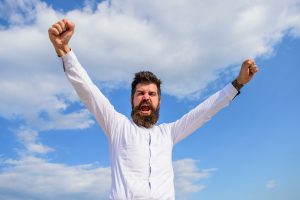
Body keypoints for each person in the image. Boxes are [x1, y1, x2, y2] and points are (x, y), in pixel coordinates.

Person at [48, 19, 259, 200]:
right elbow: (88, 91)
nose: (146, 98)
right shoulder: (117, 127)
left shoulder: (168, 133)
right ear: (132, 100)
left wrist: (238, 83)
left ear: (159, 101)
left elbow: (205, 111)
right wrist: (64, 51)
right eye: (141, 94)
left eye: (152, 94)